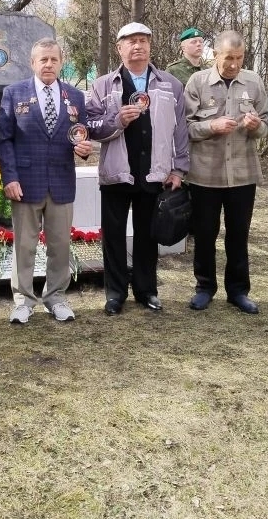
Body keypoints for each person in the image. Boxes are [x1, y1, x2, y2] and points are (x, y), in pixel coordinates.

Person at [86, 22, 189, 315]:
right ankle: (115, 293)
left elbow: (180, 130)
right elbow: (92, 127)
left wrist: (179, 169)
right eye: (130, 41)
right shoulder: (103, 84)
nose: (137, 46)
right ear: (119, 48)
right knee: (114, 235)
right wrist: (117, 120)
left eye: (143, 40)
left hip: (155, 172)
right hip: (117, 173)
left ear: (150, 46)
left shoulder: (170, 84)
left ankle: (146, 291)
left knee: (147, 234)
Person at [0, 38, 92, 324]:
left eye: (53, 59)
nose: (48, 64)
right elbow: (5, 140)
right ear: (32, 63)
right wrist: (9, 177)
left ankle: (56, 298)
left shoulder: (75, 97)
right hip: (25, 183)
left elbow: (80, 135)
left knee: (60, 245)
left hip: (61, 182)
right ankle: (23, 301)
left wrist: (83, 150)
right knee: (24, 245)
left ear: (61, 62)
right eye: (43, 60)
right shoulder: (14, 93)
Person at [183, 30, 268, 314]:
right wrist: (212, 126)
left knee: (238, 234)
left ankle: (238, 291)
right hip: (205, 174)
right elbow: (184, 128)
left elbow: (266, 126)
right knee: (205, 235)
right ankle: (204, 287)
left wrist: (257, 126)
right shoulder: (197, 82)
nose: (233, 64)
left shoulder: (253, 82)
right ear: (215, 55)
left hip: (242, 174)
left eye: (239, 58)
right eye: (228, 57)